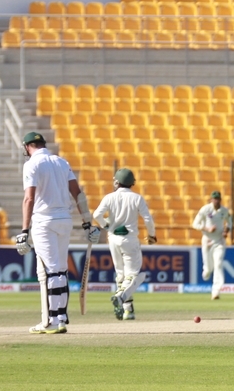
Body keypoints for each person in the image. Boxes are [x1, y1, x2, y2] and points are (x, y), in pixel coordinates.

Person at [15, 131, 100, 334]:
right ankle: (60, 316)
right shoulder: (62, 162)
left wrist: (24, 230)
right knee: (60, 269)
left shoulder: (32, 164)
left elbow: (29, 199)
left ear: (27, 147)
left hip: (44, 221)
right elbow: (78, 194)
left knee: (49, 271)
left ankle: (51, 321)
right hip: (65, 220)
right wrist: (88, 223)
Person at [92, 168, 156, 321]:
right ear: (131, 183)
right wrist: (152, 235)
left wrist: (106, 225)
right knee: (133, 275)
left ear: (117, 181)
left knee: (120, 274)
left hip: (113, 239)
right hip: (130, 239)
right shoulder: (137, 198)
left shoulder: (109, 197)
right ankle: (120, 298)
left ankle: (128, 310)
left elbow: (96, 215)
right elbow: (148, 219)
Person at [193, 191, 232, 300]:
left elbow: (230, 222)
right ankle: (206, 270)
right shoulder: (205, 209)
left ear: (220, 199)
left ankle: (216, 291)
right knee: (209, 269)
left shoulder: (224, 211)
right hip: (207, 240)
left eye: (218, 198)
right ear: (211, 200)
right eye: (214, 198)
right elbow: (195, 224)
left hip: (219, 241)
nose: (216, 200)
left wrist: (226, 231)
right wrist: (207, 229)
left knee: (218, 263)